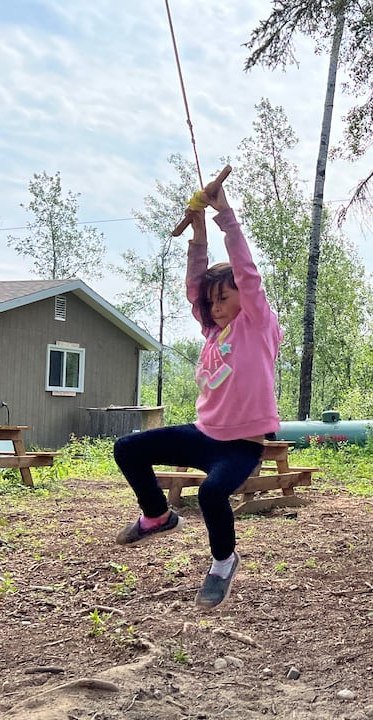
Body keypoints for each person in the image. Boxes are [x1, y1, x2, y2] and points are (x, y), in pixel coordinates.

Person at [112, 179, 282, 610]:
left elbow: (247, 272)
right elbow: (195, 287)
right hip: (204, 434)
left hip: (241, 446)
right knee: (128, 448)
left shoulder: (256, 326)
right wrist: (198, 236)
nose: (217, 305)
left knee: (210, 495)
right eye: (213, 302)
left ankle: (223, 563)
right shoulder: (213, 332)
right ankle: (158, 515)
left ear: (246, 298)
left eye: (225, 298)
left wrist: (224, 217)